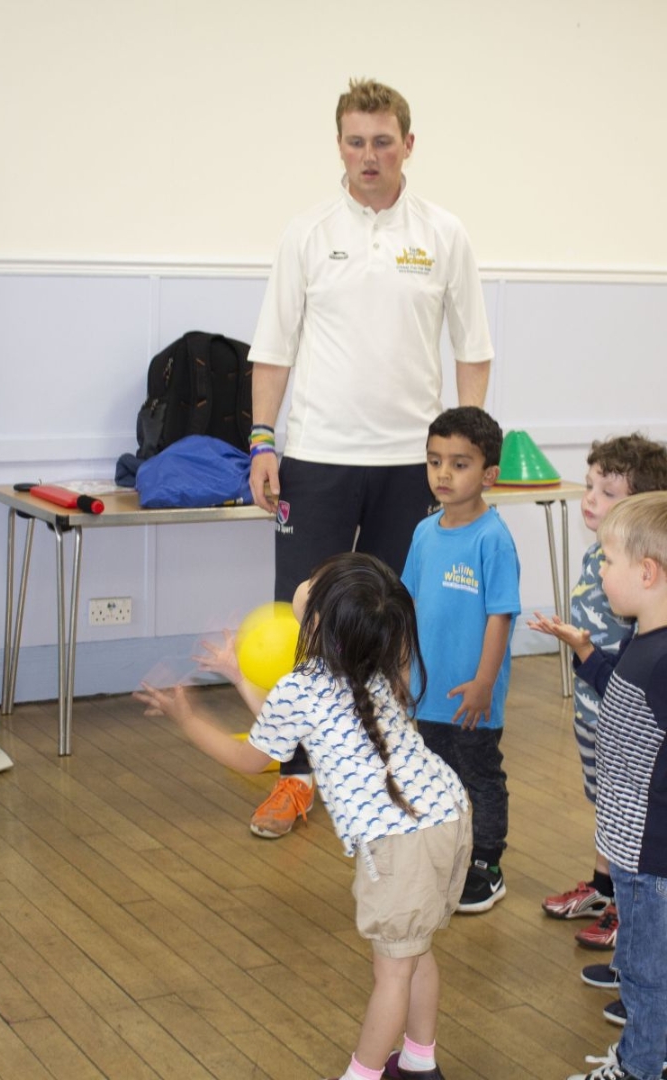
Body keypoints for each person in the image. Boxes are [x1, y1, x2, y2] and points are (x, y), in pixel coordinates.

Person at [245, 77, 493, 841]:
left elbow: (473, 350)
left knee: (395, 625)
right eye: (355, 141)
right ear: (340, 146)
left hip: (411, 468)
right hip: (317, 457)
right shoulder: (307, 233)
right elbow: (274, 348)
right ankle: (295, 778)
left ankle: (391, 763)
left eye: (383, 141)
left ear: (408, 145)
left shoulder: (445, 234)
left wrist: (471, 454)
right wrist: (261, 438)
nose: (369, 155)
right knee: (305, 622)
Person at [137, 553, 471, 1080]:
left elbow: (256, 755)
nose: (305, 581)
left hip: (399, 840)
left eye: (315, 585)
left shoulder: (304, 684)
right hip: (448, 813)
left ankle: (360, 1076)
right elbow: (289, 726)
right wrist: (238, 674)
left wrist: (188, 718)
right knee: (413, 949)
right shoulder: (377, 667)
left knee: (392, 973)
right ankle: (419, 1062)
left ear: (316, 622)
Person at [530, 492, 667, 1080]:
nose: (600, 570)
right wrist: (585, 649)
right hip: (633, 847)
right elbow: (620, 695)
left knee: (643, 970)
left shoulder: (664, 659)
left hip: (651, 856)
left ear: (648, 571)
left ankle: (640, 1068)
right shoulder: (643, 640)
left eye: (607, 559)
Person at [542, 437, 667, 944]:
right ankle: (604, 887)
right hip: (595, 713)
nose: (590, 498)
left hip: (624, 714)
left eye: (607, 490)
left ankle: (626, 907)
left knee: (629, 810)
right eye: (589, 484)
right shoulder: (602, 554)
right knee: (605, 801)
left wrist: (589, 659)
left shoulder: (638, 580)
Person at [400, 406, 519, 913]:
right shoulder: (425, 532)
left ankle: (487, 865)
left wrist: (483, 683)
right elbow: (406, 602)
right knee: (434, 776)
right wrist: (400, 670)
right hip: (427, 692)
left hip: (471, 696)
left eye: (459, 463)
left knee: (480, 777)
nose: (443, 474)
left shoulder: (493, 538)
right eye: (434, 461)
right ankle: (447, 851)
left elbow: (500, 616)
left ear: (488, 473)